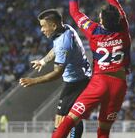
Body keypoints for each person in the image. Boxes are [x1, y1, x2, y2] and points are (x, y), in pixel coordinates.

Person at [52, 0, 131, 138]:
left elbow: (74, 11)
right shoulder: (123, 30)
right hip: (119, 85)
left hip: (99, 82)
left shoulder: (94, 31)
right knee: (104, 131)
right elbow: (116, 4)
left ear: (101, 21)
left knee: (68, 121)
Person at [19, 9, 91, 138]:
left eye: (43, 26)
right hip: (82, 77)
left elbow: (57, 73)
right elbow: (56, 49)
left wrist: (34, 81)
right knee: (73, 116)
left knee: (61, 120)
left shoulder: (63, 42)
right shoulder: (66, 29)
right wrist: (43, 61)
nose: (41, 30)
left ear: (53, 26)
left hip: (76, 83)